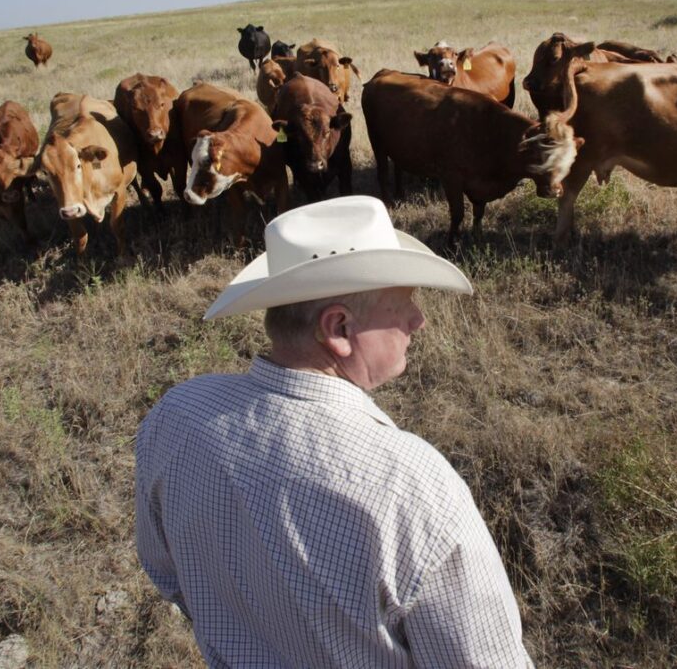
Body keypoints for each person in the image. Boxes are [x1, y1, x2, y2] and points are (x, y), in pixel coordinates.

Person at [134, 196, 534, 668]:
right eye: (405, 302)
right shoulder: (412, 485)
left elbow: (166, 573)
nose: (418, 320)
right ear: (339, 328)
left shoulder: (176, 415)